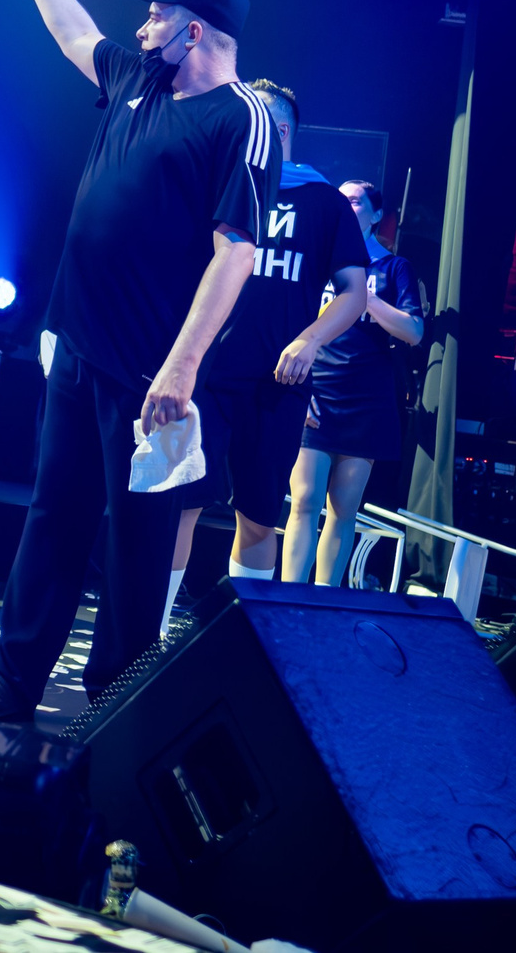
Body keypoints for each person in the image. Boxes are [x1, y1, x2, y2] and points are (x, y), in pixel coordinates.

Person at [0, 0, 273, 724]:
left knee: (136, 544)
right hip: (79, 346)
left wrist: (182, 365)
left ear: (194, 30)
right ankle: (12, 676)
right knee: (53, 512)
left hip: (151, 371)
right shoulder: (139, 79)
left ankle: (116, 706)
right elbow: (73, 31)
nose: (143, 25)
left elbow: (235, 251)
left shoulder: (242, 120)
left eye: (157, 13)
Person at [160, 79, 368, 629]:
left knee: (258, 516)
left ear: (275, 131)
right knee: (179, 504)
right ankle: (149, 637)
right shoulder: (219, 185)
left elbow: (354, 292)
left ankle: (239, 640)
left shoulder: (324, 202)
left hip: (277, 385)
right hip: (203, 375)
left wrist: (310, 339)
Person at [284, 180, 423, 584]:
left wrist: (365, 296)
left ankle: (325, 598)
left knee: (344, 506)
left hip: (367, 399)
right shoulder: (319, 259)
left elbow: (414, 331)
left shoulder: (394, 267)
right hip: (319, 389)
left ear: (376, 214)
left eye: (355, 201)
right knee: (305, 499)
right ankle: (289, 596)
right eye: (340, 200)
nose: (346, 207)